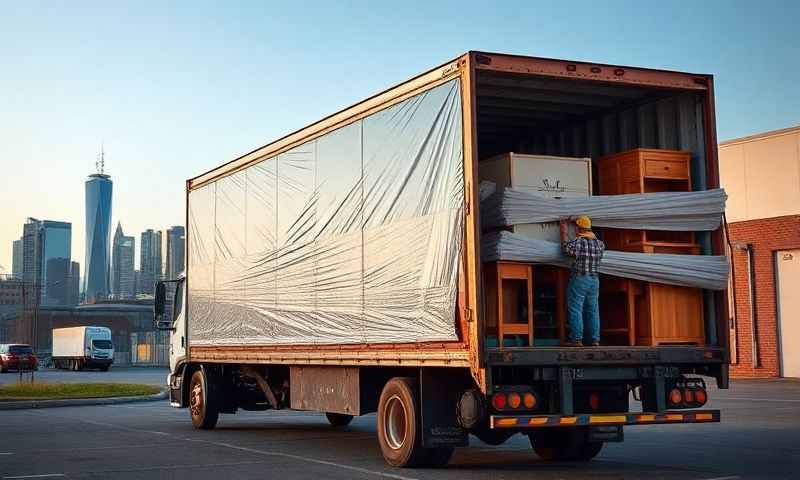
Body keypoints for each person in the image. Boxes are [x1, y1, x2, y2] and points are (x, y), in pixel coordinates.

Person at [559, 215, 605, 347]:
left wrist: (563, 232)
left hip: (580, 278)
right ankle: (595, 340)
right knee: (593, 310)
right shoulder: (600, 244)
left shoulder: (579, 242)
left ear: (579, 228)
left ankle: (577, 340)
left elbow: (565, 249)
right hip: (594, 280)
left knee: (575, 308)